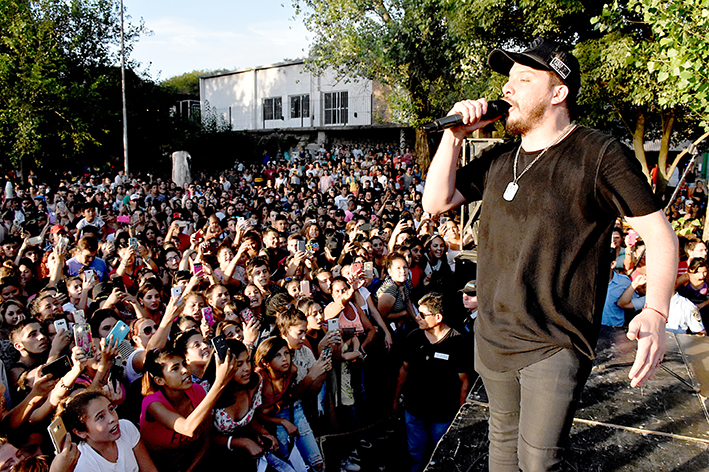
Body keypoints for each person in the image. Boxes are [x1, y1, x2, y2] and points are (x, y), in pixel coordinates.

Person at [422, 38, 677, 471]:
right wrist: (453, 137)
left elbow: (659, 234)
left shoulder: (599, 154)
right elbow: (436, 201)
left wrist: (655, 309)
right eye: (507, 80)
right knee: (502, 448)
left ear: (558, 93)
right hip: (494, 337)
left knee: (540, 461)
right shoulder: (502, 158)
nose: (507, 90)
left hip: (554, 340)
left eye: (523, 79)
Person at [393, 292, 469, 472]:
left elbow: (464, 381)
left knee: (441, 455)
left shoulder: (458, 342)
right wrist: (395, 400)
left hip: (443, 415)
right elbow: (404, 369)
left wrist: (459, 417)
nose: (417, 317)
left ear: (438, 317)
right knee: (415, 454)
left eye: (422, 314)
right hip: (414, 411)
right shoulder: (414, 338)